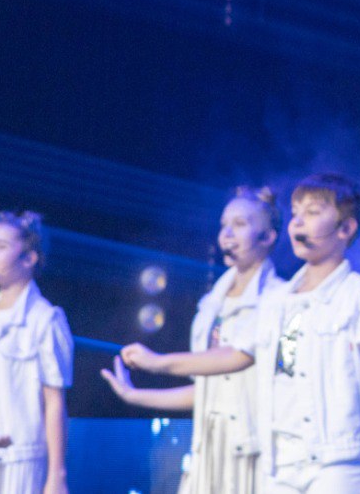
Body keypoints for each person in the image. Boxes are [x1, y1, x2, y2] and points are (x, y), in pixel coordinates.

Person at [120, 173, 360, 493]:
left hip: (337, 464)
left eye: (312, 213)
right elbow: (238, 356)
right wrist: (157, 363)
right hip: (281, 465)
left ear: (346, 228)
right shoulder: (277, 302)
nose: (298, 222)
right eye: (296, 213)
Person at [101, 186, 284, 494]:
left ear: (267, 237)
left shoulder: (277, 299)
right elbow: (207, 391)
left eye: (240, 224)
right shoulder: (211, 305)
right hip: (207, 449)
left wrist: (158, 363)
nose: (227, 234)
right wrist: (136, 396)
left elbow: (236, 356)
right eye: (224, 225)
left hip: (252, 451)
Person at [0, 212, 72, 494]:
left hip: (22, 460)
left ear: (29, 258)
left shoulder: (45, 319)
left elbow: (55, 402)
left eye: (1, 247)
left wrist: (57, 474)